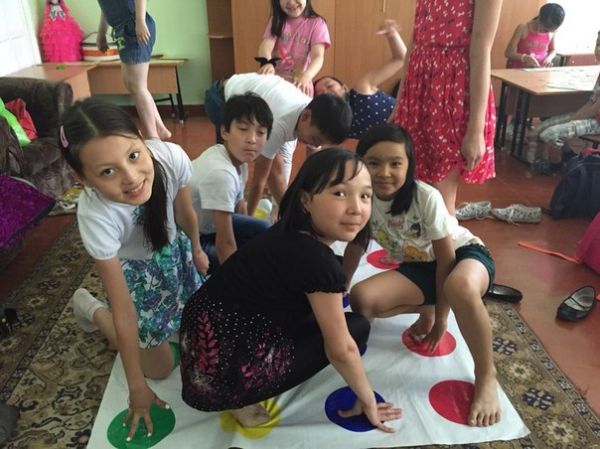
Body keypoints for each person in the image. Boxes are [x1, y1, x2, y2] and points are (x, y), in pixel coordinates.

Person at [180, 148, 402, 431]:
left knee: (328, 296)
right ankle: (241, 400)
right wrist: (368, 400)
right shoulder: (317, 262)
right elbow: (341, 350)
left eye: (365, 196)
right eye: (340, 193)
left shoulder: (288, 230)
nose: (356, 208)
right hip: (220, 377)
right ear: (306, 200)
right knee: (356, 327)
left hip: (198, 338)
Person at [60, 98, 209, 442]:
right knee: (159, 368)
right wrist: (136, 386)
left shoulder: (169, 158)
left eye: (133, 155)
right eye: (107, 171)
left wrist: (197, 248)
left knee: (202, 328)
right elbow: (125, 310)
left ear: (142, 138)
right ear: (81, 178)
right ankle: (90, 308)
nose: (131, 178)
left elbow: (186, 214)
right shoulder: (96, 216)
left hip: (174, 254)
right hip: (135, 276)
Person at [345, 123, 500, 427]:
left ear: (409, 165)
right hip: (420, 267)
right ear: (360, 164)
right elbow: (356, 244)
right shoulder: (363, 198)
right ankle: (428, 305)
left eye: (395, 163)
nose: (384, 172)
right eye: (373, 162)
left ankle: (486, 374)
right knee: (362, 299)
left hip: (465, 256)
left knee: (459, 286)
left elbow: (446, 259)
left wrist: (441, 318)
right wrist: (339, 286)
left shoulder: (425, 196)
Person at [392, 0, 503, 215]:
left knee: (441, 192)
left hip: (453, 94)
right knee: (416, 181)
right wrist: (400, 102)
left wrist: (475, 131)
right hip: (419, 86)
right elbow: (414, 43)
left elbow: (481, 51)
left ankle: (447, 234)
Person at [204, 73, 352, 216]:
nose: (315, 145)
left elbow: (306, 168)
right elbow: (260, 180)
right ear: (306, 116)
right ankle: (222, 208)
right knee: (230, 164)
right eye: (314, 140)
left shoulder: (312, 118)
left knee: (277, 167)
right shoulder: (281, 124)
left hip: (255, 97)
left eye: (320, 143)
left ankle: (284, 213)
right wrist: (248, 220)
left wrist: (291, 208)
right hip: (221, 97)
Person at [190, 93, 273, 273]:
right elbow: (225, 244)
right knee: (251, 263)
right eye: (243, 129)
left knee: (266, 231)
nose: (252, 139)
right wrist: (237, 278)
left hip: (210, 228)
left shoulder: (238, 161)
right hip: (192, 240)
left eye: (260, 132)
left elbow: (240, 207)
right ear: (224, 132)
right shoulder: (221, 173)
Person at [314, 20, 406, 139]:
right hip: (401, 144)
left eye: (329, 86)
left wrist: (392, 34)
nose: (326, 92)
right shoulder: (338, 127)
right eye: (320, 95)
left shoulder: (362, 88)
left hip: (414, 121)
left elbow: (401, 59)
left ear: (345, 88)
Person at [96, 0, 172, 140]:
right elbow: (105, 6)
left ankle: (153, 136)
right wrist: (101, 33)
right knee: (132, 84)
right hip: (122, 29)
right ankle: (160, 129)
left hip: (133, 24)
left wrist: (140, 21)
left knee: (138, 86)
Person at [533, 31, 600, 169]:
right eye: (598, 43)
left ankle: (555, 165)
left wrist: (573, 118)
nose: (598, 49)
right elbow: (591, 102)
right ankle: (568, 157)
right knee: (541, 128)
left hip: (597, 122)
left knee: (550, 134)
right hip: (593, 116)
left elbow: (595, 108)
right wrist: (573, 117)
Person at [257, 0, 330, 97]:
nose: (291, 2)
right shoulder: (276, 20)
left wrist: (307, 76)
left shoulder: (317, 23)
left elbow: (318, 56)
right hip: (275, 85)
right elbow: (265, 46)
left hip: (300, 86)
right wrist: (267, 62)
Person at [505, 3, 565, 68]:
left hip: (538, 70)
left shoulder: (551, 33)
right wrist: (524, 57)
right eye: (545, 30)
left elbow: (553, 50)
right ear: (539, 18)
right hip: (519, 69)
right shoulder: (523, 28)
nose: (544, 32)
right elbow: (508, 52)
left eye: (550, 31)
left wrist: (549, 58)